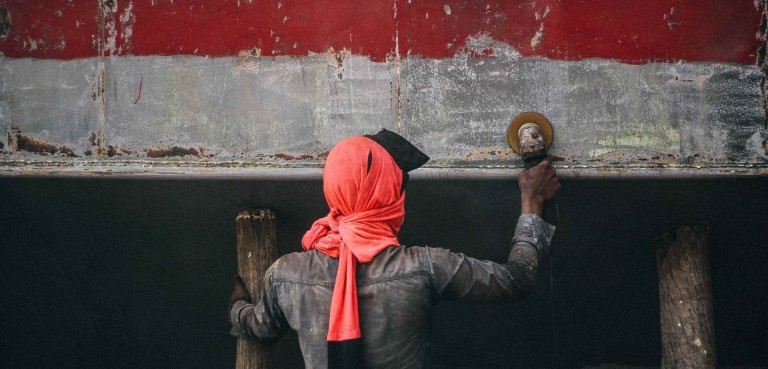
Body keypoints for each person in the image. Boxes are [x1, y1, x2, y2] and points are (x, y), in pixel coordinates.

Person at [228, 129, 560, 369]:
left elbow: (259, 326)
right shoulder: (424, 266)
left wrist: (237, 306)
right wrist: (532, 200)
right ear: (388, 193)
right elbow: (517, 279)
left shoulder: (287, 274)